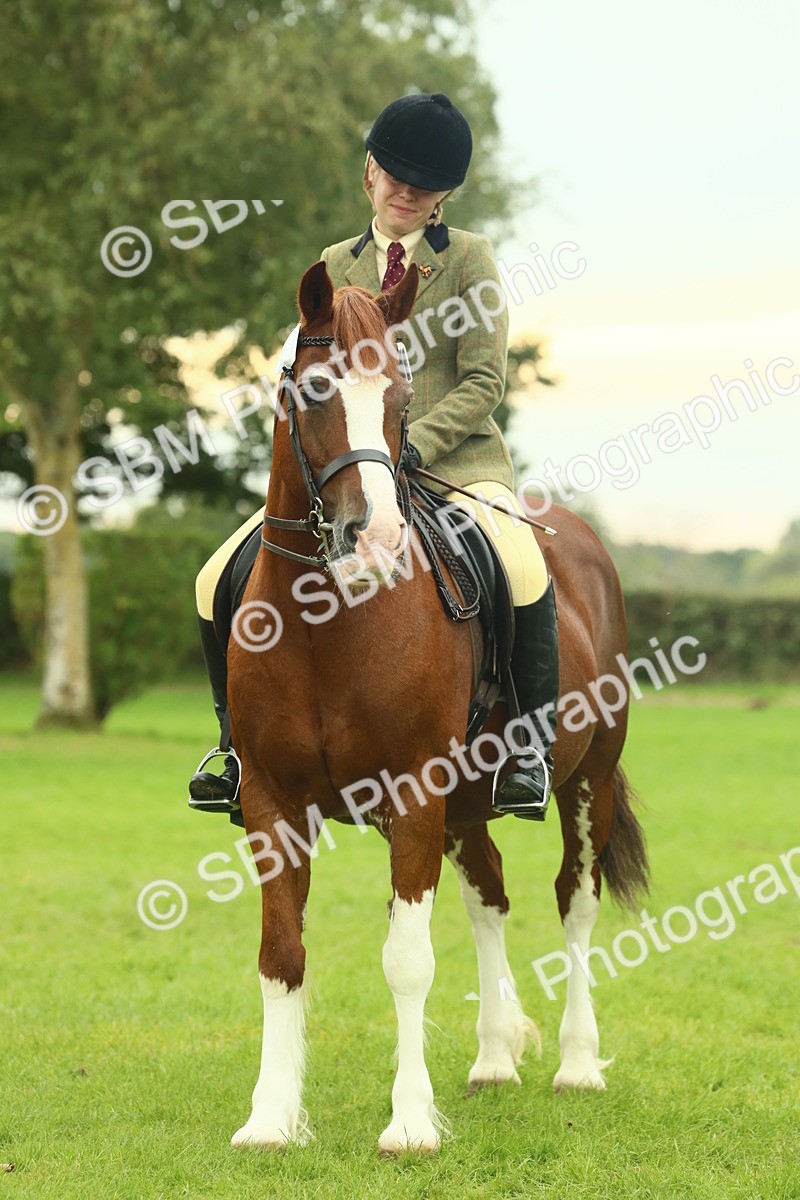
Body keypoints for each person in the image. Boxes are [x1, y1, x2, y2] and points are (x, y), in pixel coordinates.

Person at [189, 92, 559, 823]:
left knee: (524, 563)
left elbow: (485, 380)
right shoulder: (335, 264)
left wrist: (411, 445)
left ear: (443, 196)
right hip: (351, 477)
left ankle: (528, 750)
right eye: (395, 175)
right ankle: (236, 749)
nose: (406, 190)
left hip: (457, 468)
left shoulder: (472, 261)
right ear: (370, 173)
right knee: (213, 578)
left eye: (423, 184)